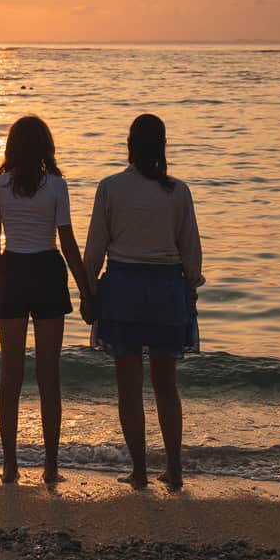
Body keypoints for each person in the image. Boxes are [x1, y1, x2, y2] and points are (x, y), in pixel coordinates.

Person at [83, 113, 203, 489]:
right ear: (162, 147)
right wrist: (191, 289)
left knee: (129, 388)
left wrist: (88, 293)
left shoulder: (110, 187)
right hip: (167, 290)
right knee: (166, 386)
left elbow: (94, 250)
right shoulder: (178, 191)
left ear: (129, 147)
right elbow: (191, 253)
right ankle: (174, 469)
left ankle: (138, 471)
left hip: (123, 291)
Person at [0, 115, 92, 484]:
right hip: (47, 270)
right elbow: (68, 243)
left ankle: (10, 465)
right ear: (47, 147)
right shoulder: (57, 186)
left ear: (11, 147)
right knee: (49, 376)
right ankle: (50, 467)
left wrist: (4, 279)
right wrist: (87, 290)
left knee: (9, 376)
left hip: (13, 269)